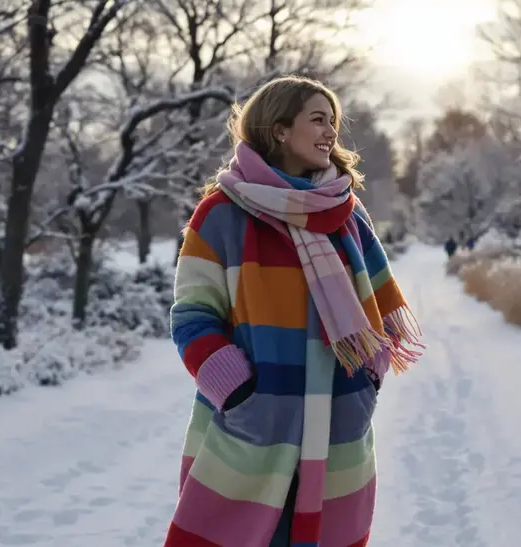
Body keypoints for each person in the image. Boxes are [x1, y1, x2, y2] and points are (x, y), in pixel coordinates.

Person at [165, 75, 426, 547]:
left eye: (334, 122)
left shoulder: (348, 213)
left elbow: (382, 305)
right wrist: (239, 393)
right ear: (279, 129)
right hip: (258, 418)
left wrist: (369, 375)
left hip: (339, 413)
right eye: (318, 120)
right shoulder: (222, 213)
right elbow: (193, 317)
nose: (331, 132)